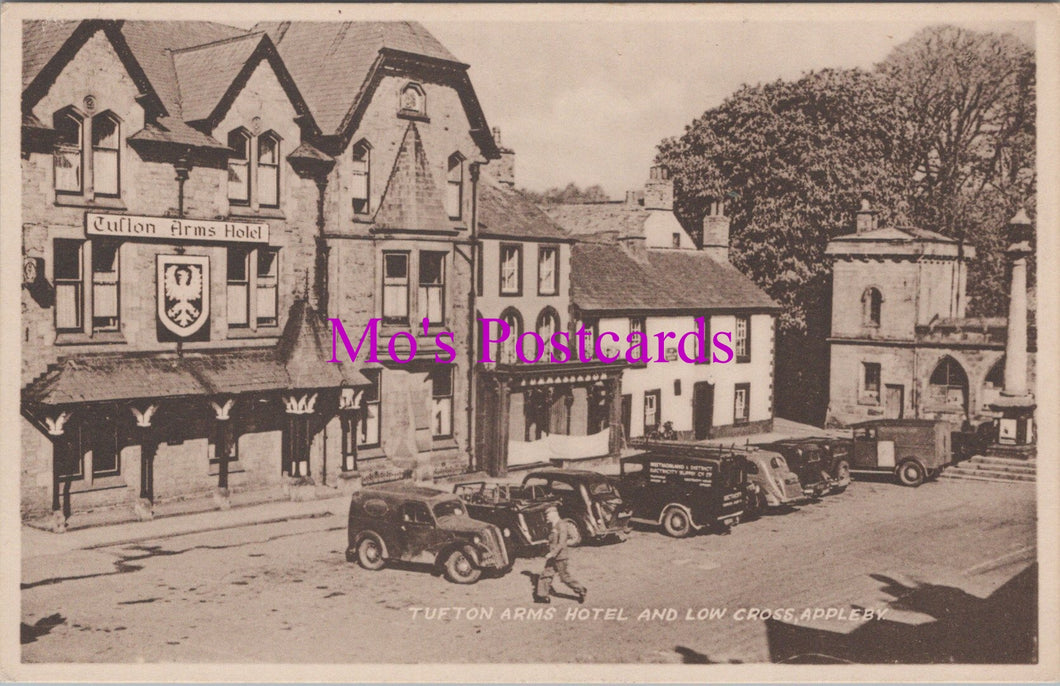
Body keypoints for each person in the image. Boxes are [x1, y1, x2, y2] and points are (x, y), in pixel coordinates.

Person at [534, 506, 587, 604]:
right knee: (546, 574)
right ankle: (542, 596)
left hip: (560, 556)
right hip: (553, 556)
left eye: (548, 515)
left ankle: (581, 589)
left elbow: (562, 543)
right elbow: (552, 540)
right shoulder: (553, 525)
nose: (547, 517)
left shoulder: (561, 525)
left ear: (554, 514)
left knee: (564, 577)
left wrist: (552, 553)